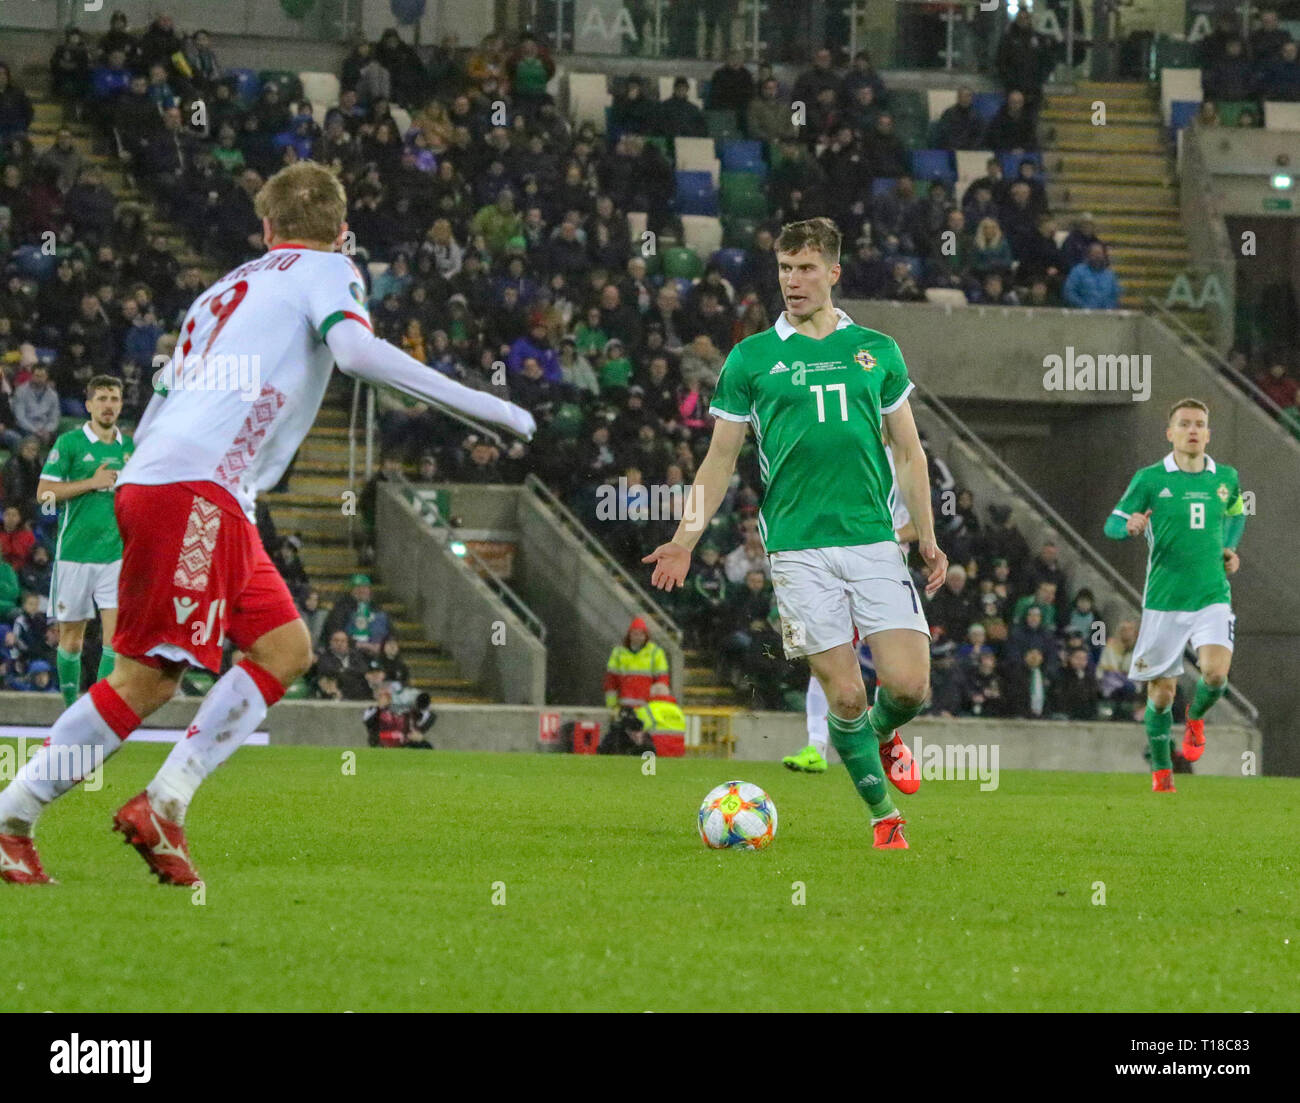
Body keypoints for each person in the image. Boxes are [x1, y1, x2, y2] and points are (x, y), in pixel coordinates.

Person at [0, 161, 535, 885]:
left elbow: (162, 394)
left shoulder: (222, 290)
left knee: (285, 648)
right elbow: (353, 352)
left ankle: (166, 799)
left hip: (194, 487)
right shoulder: (330, 268)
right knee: (147, 677)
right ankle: (12, 820)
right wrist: (486, 404)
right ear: (342, 231)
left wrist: (143, 485)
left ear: (266, 227)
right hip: (195, 488)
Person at [645, 217, 948, 851]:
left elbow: (910, 451)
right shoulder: (753, 358)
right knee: (843, 693)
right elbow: (721, 458)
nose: (793, 281)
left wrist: (926, 534)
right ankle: (882, 816)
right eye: (784, 269)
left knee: (909, 687)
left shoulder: (877, 350)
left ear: (834, 273)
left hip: (872, 540)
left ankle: (886, 734)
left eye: (806, 268)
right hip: (797, 550)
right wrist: (685, 538)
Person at [1104, 399, 1244, 793]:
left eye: (1200, 424)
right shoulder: (1150, 479)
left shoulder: (1226, 477)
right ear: (1170, 433)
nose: (1193, 430)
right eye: (1184, 424)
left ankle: (1196, 720)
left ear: (1209, 433)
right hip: (1164, 600)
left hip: (1212, 594)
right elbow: (1112, 524)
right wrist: (1129, 525)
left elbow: (1236, 513)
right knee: (1161, 694)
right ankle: (1162, 773)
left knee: (1216, 675)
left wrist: (1229, 549)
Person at [35, 376, 133, 706]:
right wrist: (92, 482)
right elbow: (44, 494)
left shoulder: (130, 448)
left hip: (116, 556)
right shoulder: (70, 443)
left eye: (114, 399)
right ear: (89, 405)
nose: (108, 405)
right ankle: (68, 710)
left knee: (114, 642)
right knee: (72, 642)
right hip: (74, 555)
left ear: (121, 404)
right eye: (102, 398)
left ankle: (98, 716)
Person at [603, 615, 670, 721]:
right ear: (629, 635)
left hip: (648, 709)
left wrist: (658, 706)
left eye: (641, 634)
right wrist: (612, 707)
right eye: (635, 634)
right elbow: (611, 682)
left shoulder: (655, 653)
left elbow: (662, 682)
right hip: (624, 708)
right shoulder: (618, 653)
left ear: (646, 636)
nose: (638, 637)